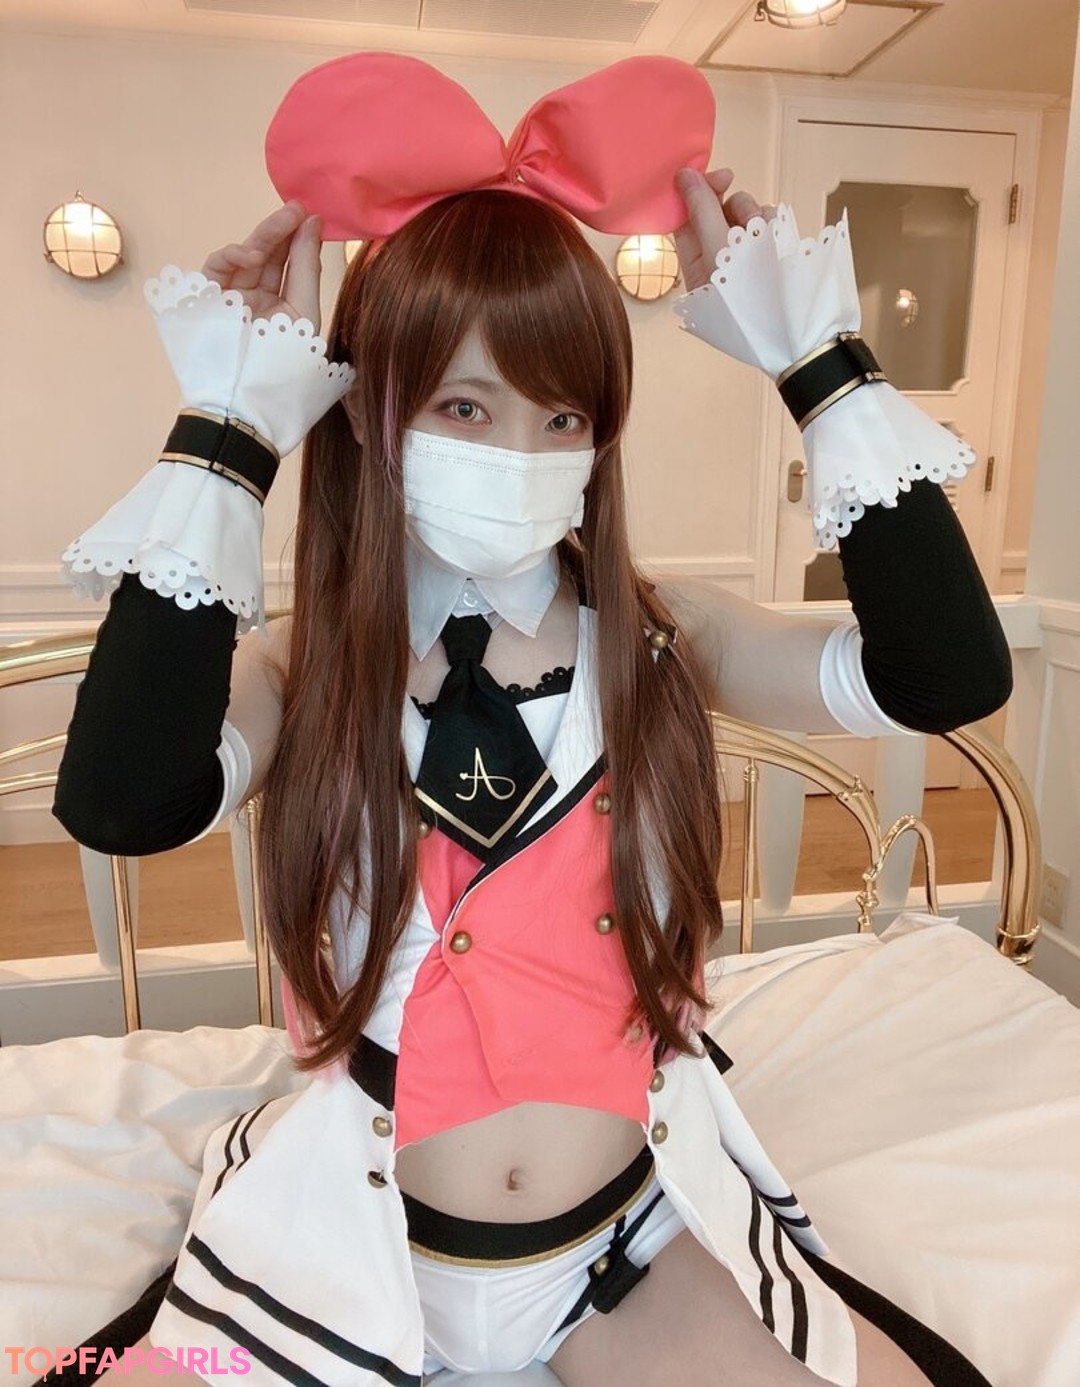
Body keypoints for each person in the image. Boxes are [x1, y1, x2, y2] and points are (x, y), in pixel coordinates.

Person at [50, 53, 1009, 1387]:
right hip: (359, 1244)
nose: (519, 454)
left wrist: (817, 359)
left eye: (562, 415)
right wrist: (232, 430)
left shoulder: (660, 637)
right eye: (465, 405)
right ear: (366, 408)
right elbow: (122, 800)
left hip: (615, 1255)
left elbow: (943, 676)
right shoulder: (307, 666)